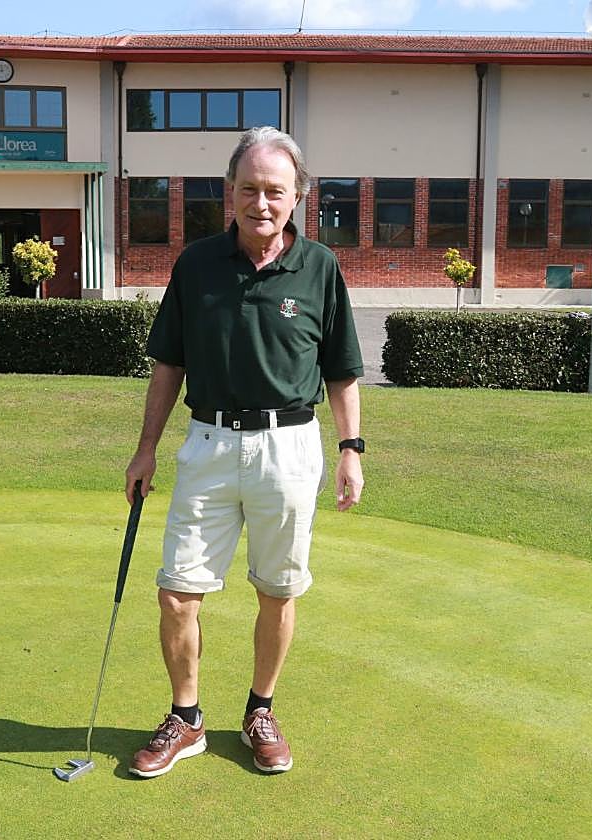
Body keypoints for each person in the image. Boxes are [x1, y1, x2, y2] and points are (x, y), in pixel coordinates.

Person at [124, 126, 364, 778]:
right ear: (230, 192)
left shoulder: (320, 267)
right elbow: (168, 366)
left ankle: (260, 710)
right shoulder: (195, 265)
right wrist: (145, 449)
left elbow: (341, 369)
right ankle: (188, 718)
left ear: (298, 197)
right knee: (176, 592)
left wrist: (351, 448)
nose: (262, 202)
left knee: (278, 589)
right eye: (250, 189)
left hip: (290, 447)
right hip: (207, 443)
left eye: (276, 191)